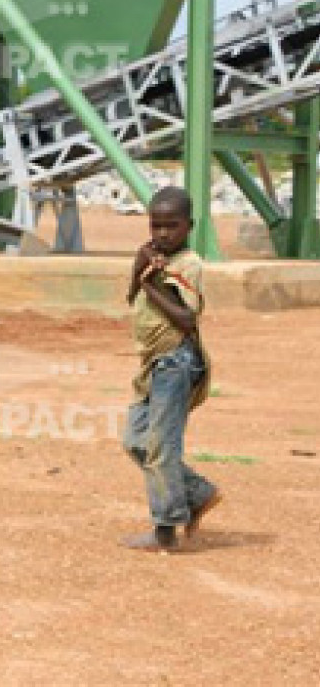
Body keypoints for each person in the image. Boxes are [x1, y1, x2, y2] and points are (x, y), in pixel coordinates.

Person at [121, 186, 222, 553]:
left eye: (172, 226)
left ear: (189, 226)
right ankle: (198, 493)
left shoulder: (188, 264)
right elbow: (132, 297)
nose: (162, 233)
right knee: (134, 440)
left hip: (176, 362)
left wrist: (150, 282)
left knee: (161, 447)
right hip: (153, 364)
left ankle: (165, 530)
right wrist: (138, 272)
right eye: (156, 225)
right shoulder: (153, 258)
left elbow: (185, 318)